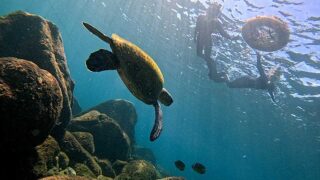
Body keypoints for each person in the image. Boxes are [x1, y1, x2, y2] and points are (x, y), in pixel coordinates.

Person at [194, 2, 237, 82]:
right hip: (200, 38)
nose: (212, 14)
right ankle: (214, 71)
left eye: (215, 13)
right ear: (208, 10)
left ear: (216, 15)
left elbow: (223, 33)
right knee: (199, 54)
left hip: (207, 40)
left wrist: (232, 38)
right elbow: (196, 27)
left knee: (206, 57)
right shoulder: (200, 17)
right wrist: (194, 37)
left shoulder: (216, 22)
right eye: (211, 11)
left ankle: (213, 73)